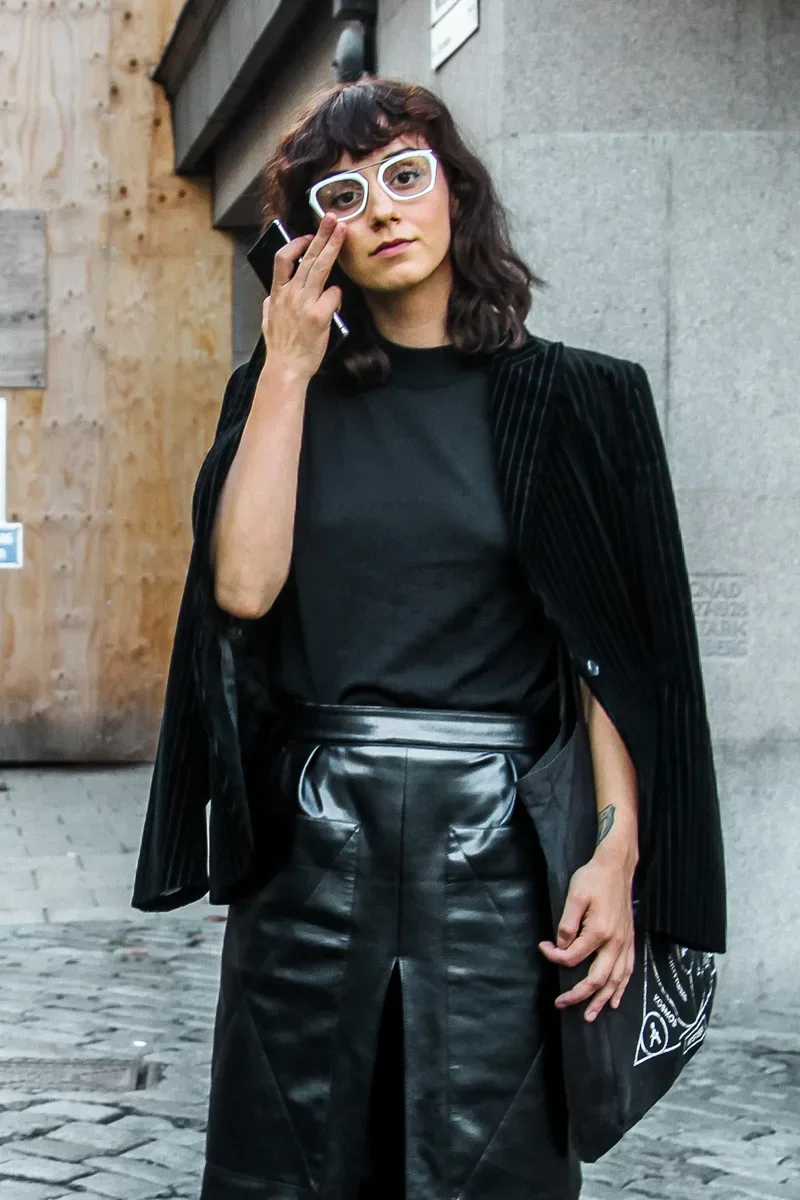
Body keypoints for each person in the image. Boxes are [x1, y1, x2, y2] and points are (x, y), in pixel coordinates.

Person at [131, 77, 726, 1200]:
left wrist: (615, 849)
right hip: (313, 840)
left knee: (489, 1169)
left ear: (457, 190)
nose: (387, 211)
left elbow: (609, 660)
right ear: (316, 235)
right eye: (346, 195)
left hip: (501, 849)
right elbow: (244, 591)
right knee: (288, 1168)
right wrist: (288, 367)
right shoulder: (281, 392)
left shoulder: (577, 401)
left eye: (407, 175)